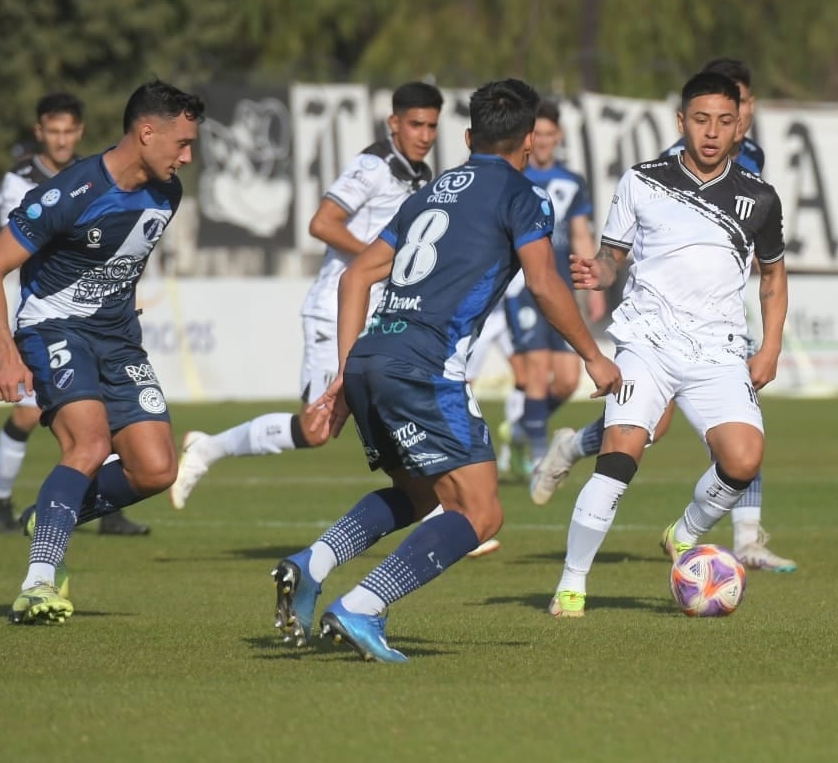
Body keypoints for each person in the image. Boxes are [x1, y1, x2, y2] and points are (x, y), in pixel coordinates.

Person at [272, 78, 621, 661]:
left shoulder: (427, 194)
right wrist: (593, 355)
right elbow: (542, 281)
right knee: (480, 510)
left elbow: (356, 276)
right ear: (530, 139)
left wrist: (342, 371)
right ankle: (362, 606)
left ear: (466, 136)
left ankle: (314, 562)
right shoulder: (523, 196)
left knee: (415, 491)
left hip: (369, 359)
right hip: (426, 367)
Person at [531, 58, 797, 573]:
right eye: (705, 117)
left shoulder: (757, 179)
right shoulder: (656, 176)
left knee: (741, 451)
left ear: (744, 112)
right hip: (653, 333)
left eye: (732, 112)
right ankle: (574, 570)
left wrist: (770, 345)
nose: (720, 127)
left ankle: (721, 536)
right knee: (642, 434)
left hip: (717, 334)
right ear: (684, 120)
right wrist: (600, 271)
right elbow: (620, 251)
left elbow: (771, 271)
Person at [0, 80, 205, 624]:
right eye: (182, 143)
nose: (188, 156)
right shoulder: (72, 191)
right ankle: (37, 583)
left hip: (118, 338)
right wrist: (8, 357)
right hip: (54, 328)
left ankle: (52, 512)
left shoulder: (168, 193)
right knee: (91, 443)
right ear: (147, 133)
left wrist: (115, 304)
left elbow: (116, 263)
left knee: (156, 469)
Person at [169, 82, 444, 509]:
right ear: (394, 122)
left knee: (398, 400)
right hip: (335, 311)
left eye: (431, 126)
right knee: (318, 429)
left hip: (380, 316)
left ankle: (442, 509)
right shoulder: (373, 166)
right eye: (415, 124)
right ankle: (208, 448)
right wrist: (380, 262)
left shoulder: (420, 175)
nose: (424, 135)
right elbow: (323, 223)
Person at [0, 93, 149, 537]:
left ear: (80, 132)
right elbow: (15, 242)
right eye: (52, 131)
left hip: (90, 312)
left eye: (68, 131)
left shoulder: (96, 174)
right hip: (44, 312)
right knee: (28, 414)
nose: (60, 139)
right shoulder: (21, 181)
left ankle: (106, 508)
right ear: (40, 133)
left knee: (103, 412)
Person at [497, 101, 602, 482]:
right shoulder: (513, 177)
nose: (542, 141)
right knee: (538, 371)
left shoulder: (572, 182)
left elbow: (579, 234)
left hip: (558, 286)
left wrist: (591, 284)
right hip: (522, 288)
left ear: (558, 137)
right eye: (536, 134)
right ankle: (542, 459)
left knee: (569, 380)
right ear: (528, 137)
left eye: (548, 134)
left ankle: (523, 428)